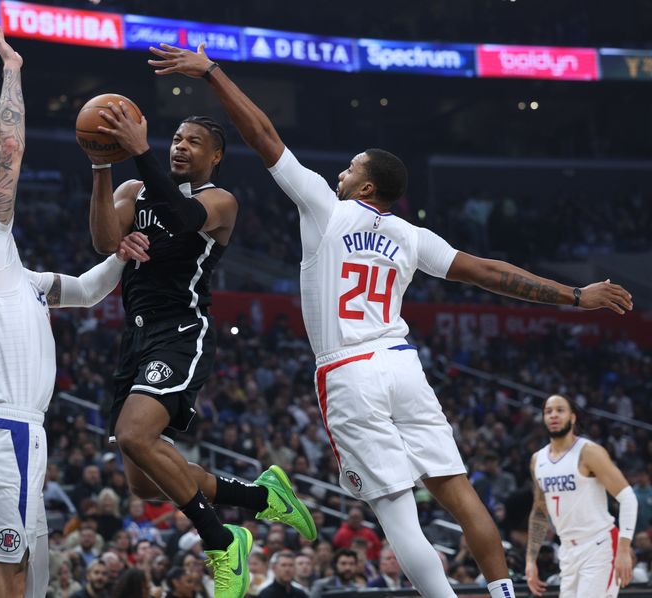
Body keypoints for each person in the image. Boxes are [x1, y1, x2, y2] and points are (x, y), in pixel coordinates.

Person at [148, 41, 635, 598]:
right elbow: (492, 274)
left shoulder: (325, 209)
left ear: (368, 185)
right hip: (402, 365)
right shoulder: (411, 236)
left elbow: (264, 136)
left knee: (397, 512)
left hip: (350, 370)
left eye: (351, 167)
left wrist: (212, 72)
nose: (340, 170)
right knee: (458, 490)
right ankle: (503, 593)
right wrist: (575, 295)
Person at [0, 22, 146, 598]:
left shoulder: (16, 277)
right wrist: (12, 73)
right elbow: (9, 150)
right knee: (5, 580)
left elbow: (85, 290)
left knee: (24, 578)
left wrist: (125, 255)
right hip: (1, 430)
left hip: (17, 432)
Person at [86, 79, 316, 598]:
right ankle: (259, 498)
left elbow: (186, 217)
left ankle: (220, 539)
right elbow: (103, 240)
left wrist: (140, 151)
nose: (179, 146)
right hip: (137, 338)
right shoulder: (132, 191)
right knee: (144, 480)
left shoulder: (220, 201)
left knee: (133, 437)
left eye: (193, 141)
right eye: (176, 139)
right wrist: (101, 166)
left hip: (182, 331)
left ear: (215, 157)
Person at [525, 394, 638, 597]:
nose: (554, 415)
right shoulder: (537, 459)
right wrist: (530, 560)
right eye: (548, 411)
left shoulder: (589, 452)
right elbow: (540, 512)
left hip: (599, 546)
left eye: (560, 410)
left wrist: (623, 548)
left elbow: (628, 497)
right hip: (567, 551)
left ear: (573, 417)